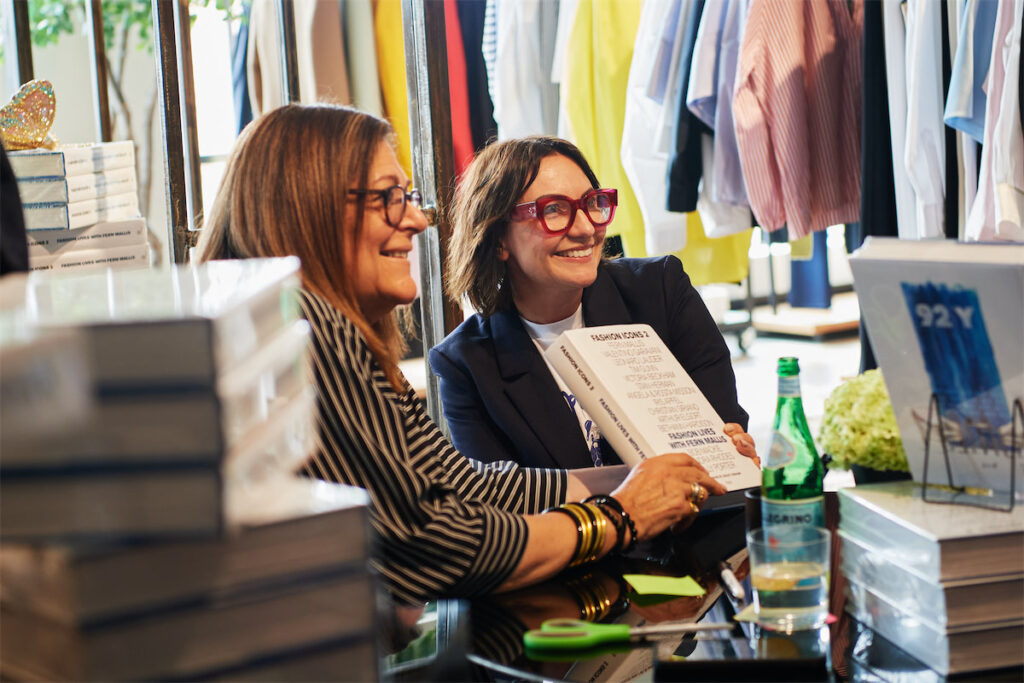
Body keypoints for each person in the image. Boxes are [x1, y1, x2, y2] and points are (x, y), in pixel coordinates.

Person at [195, 103, 729, 606]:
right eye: (390, 198)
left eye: (408, 197)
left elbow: (461, 482)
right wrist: (621, 514)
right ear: (309, 207)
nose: (418, 221)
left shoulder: (308, 332)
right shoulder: (315, 332)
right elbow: (439, 543)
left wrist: (652, 478)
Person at [430, 136, 754, 470]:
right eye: (553, 210)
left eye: (592, 203)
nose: (586, 228)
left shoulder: (661, 290)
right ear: (498, 238)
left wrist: (734, 450)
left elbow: (725, 438)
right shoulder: (466, 364)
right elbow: (502, 504)